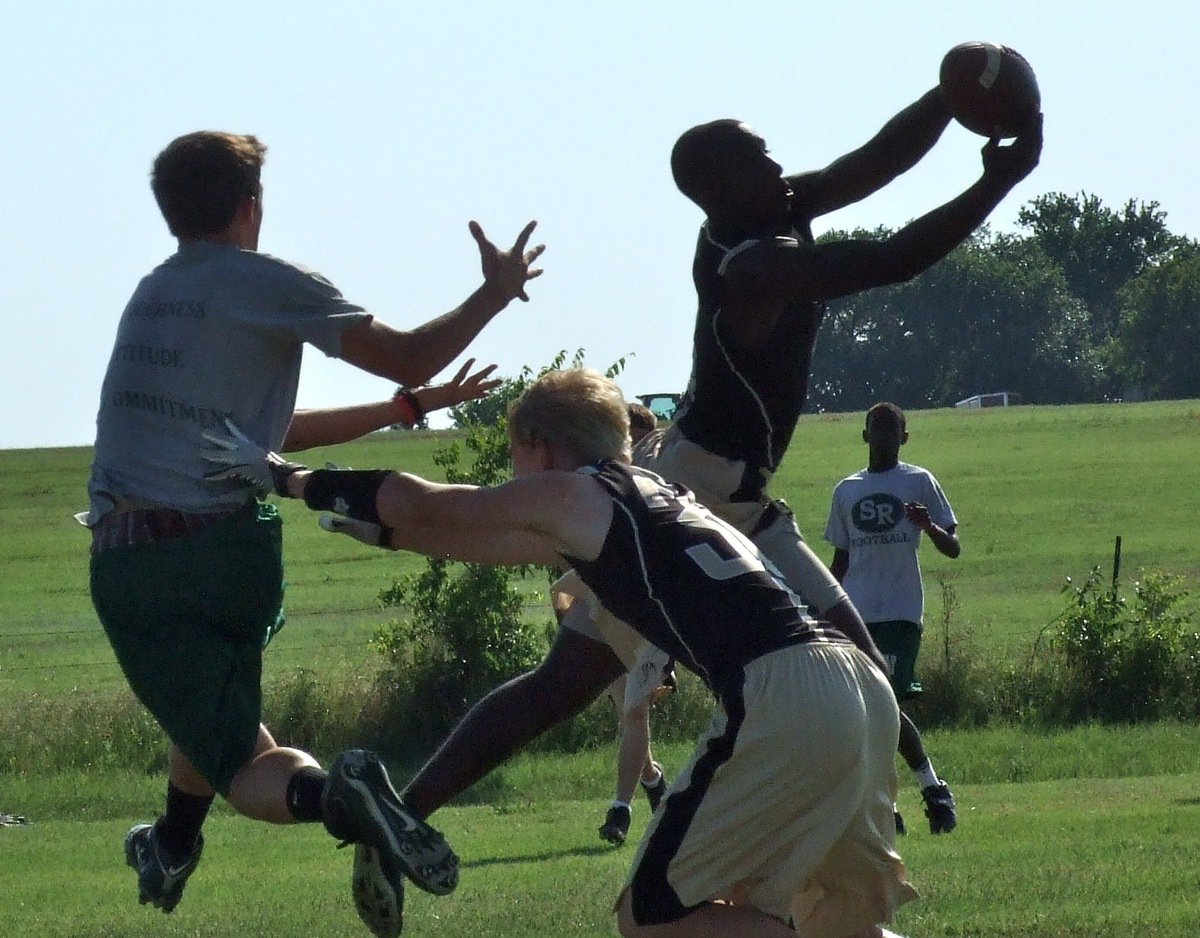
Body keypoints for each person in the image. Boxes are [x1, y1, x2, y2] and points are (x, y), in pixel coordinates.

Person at [364, 82, 1043, 832]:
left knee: (861, 665)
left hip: (738, 497)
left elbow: (869, 166)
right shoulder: (746, 267)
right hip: (688, 491)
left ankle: (852, 824)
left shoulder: (770, 209)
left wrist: (949, 100)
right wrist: (996, 182)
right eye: (759, 157)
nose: (779, 164)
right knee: (566, 681)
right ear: (719, 189)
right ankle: (401, 811)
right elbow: (889, 261)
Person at [204, 367, 917, 938]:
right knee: (836, 920)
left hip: (782, 691)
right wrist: (386, 532)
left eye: (518, 457)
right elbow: (470, 535)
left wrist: (284, 477)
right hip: (854, 684)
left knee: (654, 914)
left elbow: (424, 503)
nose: (517, 476)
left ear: (541, 445)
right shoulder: (652, 491)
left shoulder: (575, 492)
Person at [83, 130, 544, 937]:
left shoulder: (152, 295)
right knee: (213, 714)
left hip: (138, 559)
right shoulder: (267, 282)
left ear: (170, 211)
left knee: (248, 764)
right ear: (251, 206)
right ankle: (173, 844)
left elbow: (396, 366)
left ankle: (339, 798)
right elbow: (385, 369)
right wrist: (492, 299)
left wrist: (417, 388)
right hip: (233, 549)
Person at [825, 402, 962, 835]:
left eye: (892, 432)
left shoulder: (918, 483)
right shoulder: (847, 490)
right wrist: (821, 604)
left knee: (887, 706)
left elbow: (953, 546)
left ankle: (928, 791)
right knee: (867, 710)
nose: (883, 439)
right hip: (857, 614)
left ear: (905, 438)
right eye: (876, 431)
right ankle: (895, 803)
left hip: (902, 610)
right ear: (865, 436)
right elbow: (841, 559)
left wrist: (930, 527)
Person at [594, 401, 671, 845]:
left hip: (649, 620)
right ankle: (655, 784)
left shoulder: (657, 491)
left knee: (635, 708)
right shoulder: (603, 489)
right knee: (629, 712)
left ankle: (619, 812)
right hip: (609, 619)